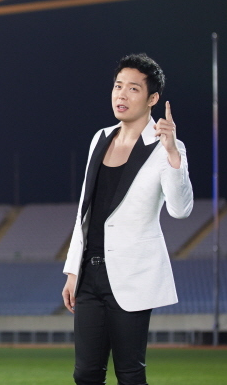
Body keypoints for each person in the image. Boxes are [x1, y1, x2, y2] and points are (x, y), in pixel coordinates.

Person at [61, 53, 193, 385]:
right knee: (85, 374)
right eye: (118, 86)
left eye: (133, 88)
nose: (121, 94)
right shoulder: (100, 138)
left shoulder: (166, 147)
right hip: (89, 275)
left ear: (152, 98)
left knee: (130, 374)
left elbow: (180, 209)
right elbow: (85, 212)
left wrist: (173, 153)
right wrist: (73, 271)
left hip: (132, 274)